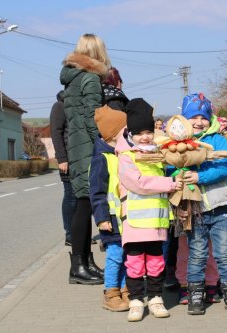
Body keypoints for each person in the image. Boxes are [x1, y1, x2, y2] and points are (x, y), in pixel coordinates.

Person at [116, 98, 183, 322]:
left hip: (156, 221)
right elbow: (138, 183)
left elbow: (170, 171)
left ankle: (155, 299)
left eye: (148, 131)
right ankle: (136, 301)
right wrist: (169, 184)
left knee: (156, 262)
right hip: (134, 221)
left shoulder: (158, 156)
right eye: (139, 133)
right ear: (131, 134)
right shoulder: (126, 157)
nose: (144, 137)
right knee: (134, 264)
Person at [177, 93, 227, 315]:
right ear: (185, 119)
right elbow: (171, 167)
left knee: (224, 253)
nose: (199, 121)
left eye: (203, 117)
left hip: (221, 208)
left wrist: (199, 177)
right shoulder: (177, 143)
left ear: (210, 118)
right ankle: (196, 295)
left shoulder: (216, 139)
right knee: (196, 254)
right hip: (195, 211)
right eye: (193, 117)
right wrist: (180, 172)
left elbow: (224, 167)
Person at [60, 33, 110, 285]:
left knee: (84, 204)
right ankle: (77, 267)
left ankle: (85, 262)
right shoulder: (90, 78)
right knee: (84, 205)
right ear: (98, 53)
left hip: (76, 148)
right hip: (88, 149)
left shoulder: (72, 78)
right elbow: (94, 119)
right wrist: (107, 143)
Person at [90, 106, 129, 311]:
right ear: (113, 135)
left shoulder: (122, 153)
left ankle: (124, 290)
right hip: (111, 218)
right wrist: (101, 218)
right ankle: (110, 292)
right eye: (125, 131)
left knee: (125, 254)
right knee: (115, 255)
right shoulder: (101, 159)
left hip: (125, 217)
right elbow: (96, 192)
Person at [49, 90, 76, 246]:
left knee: (80, 199)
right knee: (71, 195)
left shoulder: (78, 105)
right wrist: (62, 158)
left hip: (79, 158)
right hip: (67, 159)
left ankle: (78, 233)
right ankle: (70, 234)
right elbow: (56, 133)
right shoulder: (60, 106)